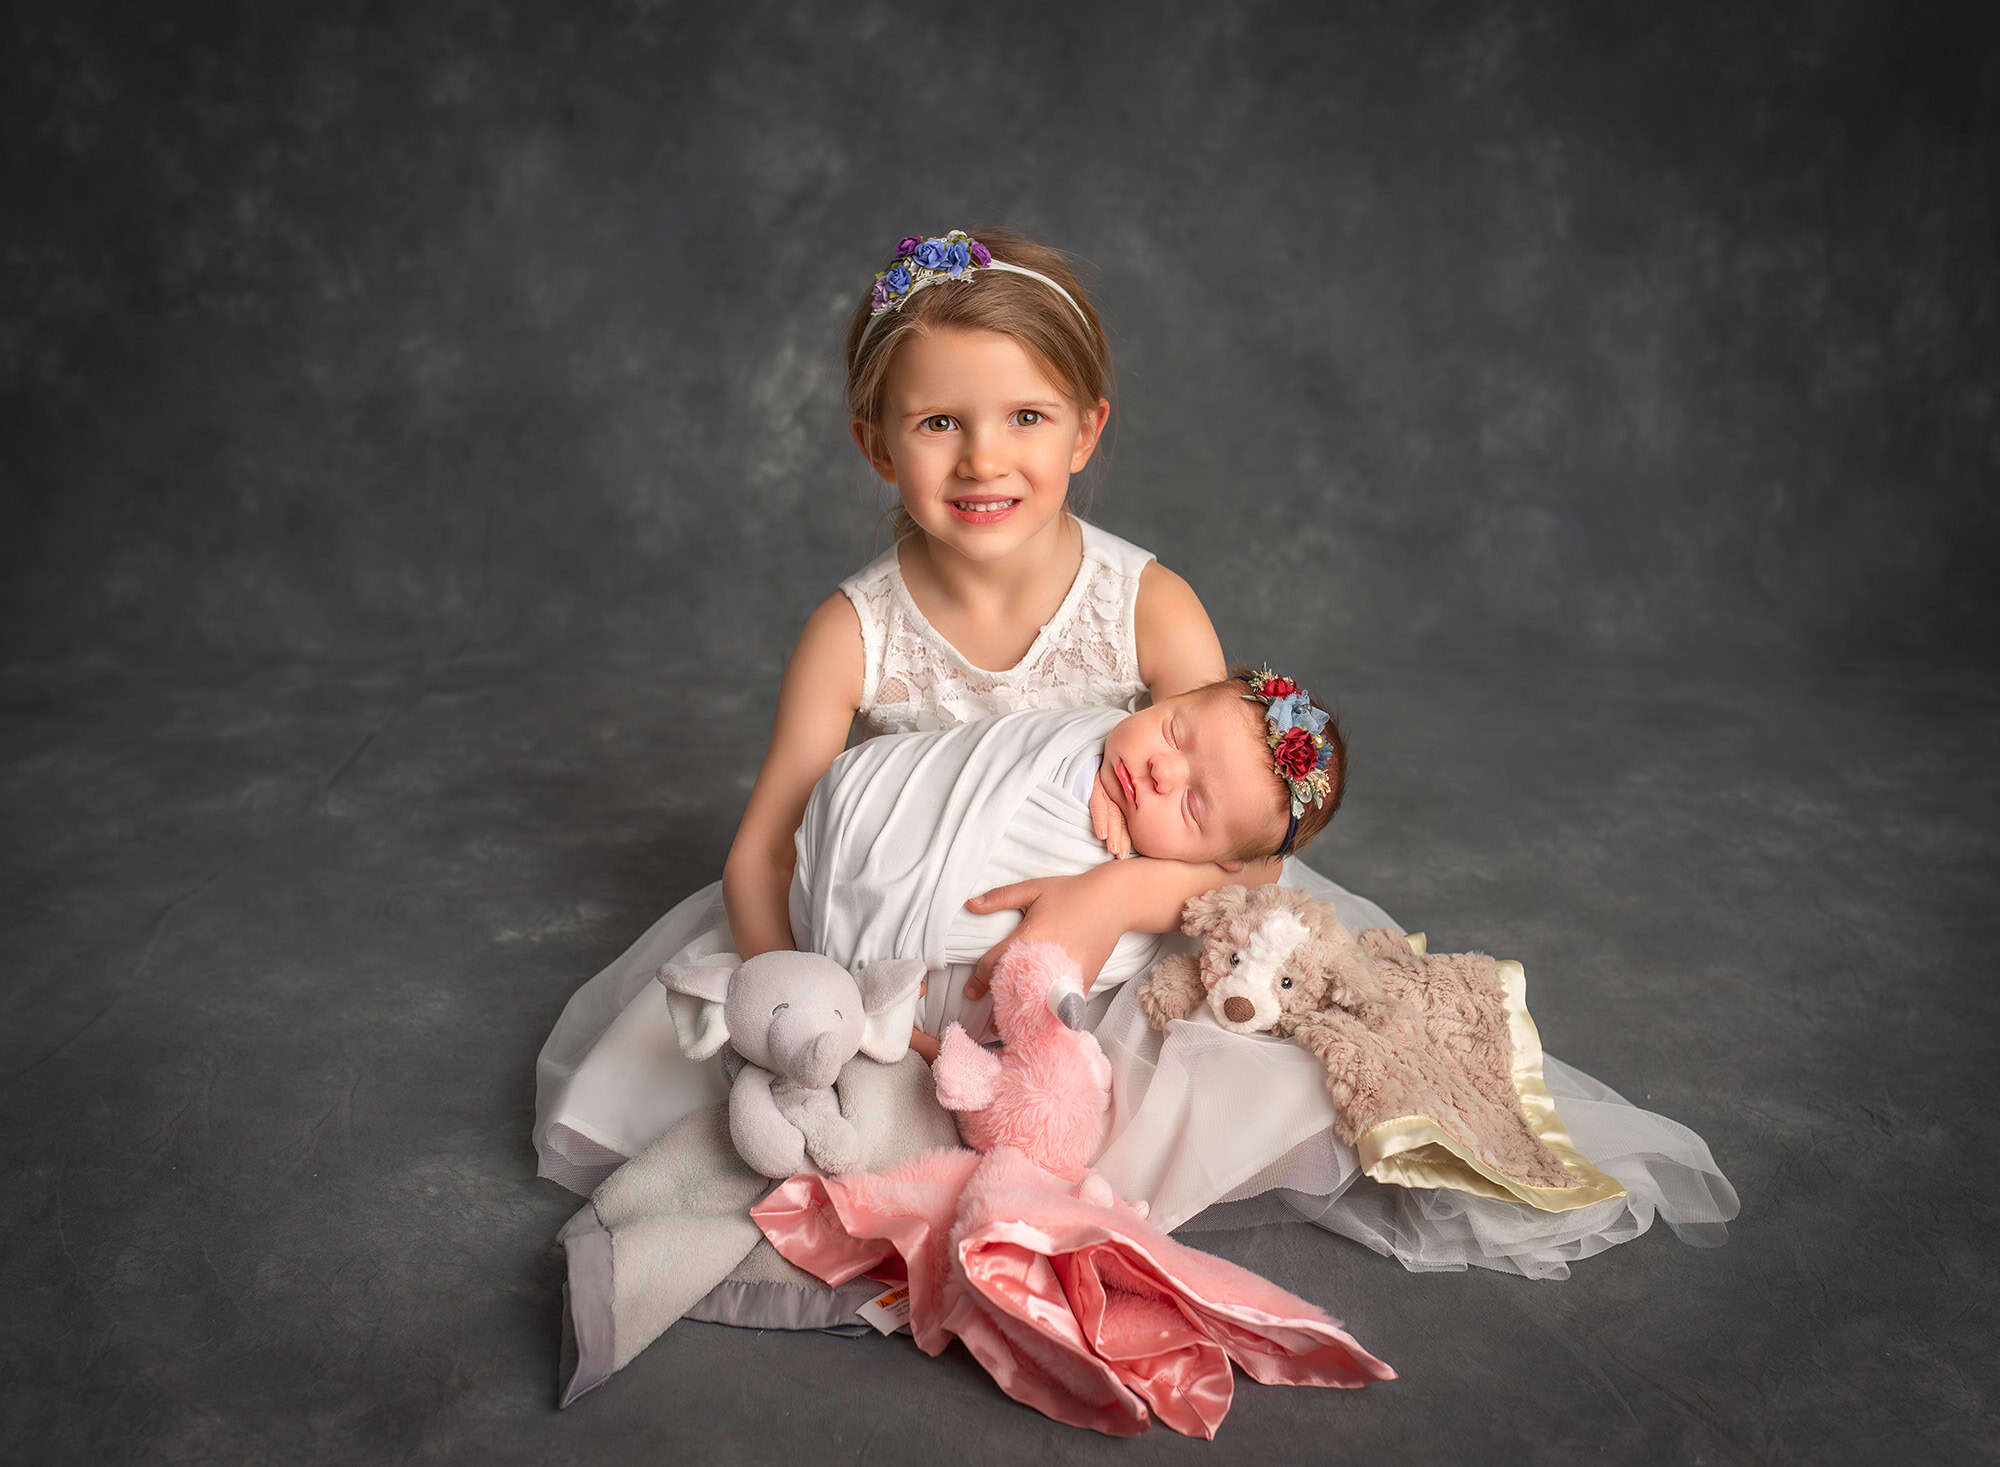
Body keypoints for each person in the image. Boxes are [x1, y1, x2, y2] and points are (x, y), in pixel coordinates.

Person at [533, 228, 1396, 1195]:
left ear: (1085, 429)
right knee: (780, 1118)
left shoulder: (1150, 606)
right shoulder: (850, 632)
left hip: (1082, 973)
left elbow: (1256, 847)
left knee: (1230, 1088)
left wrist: (1107, 898)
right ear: (877, 444)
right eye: (940, 422)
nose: (985, 458)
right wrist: (819, 1007)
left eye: (1027, 415)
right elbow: (762, 855)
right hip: (886, 947)